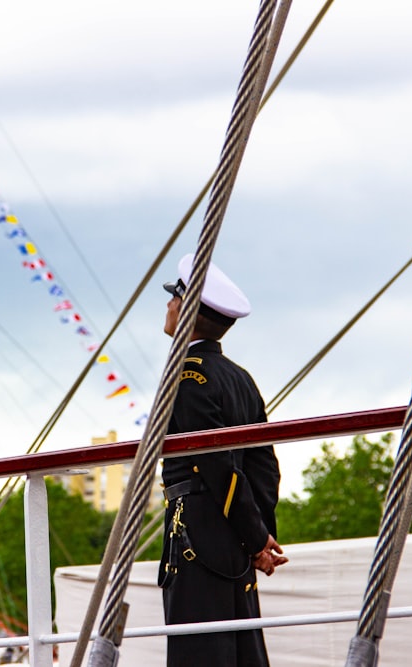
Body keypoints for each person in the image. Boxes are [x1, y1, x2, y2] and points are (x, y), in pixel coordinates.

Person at [157, 254, 286, 667]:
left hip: (198, 534)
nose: (168, 305)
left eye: (174, 298)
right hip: (234, 540)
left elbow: (214, 465)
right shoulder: (239, 376)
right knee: (242, 654)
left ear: (188, 309)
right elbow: (264, 465)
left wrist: (254, 538)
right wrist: (260, 536)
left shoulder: (186, 375)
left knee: (199, 653)